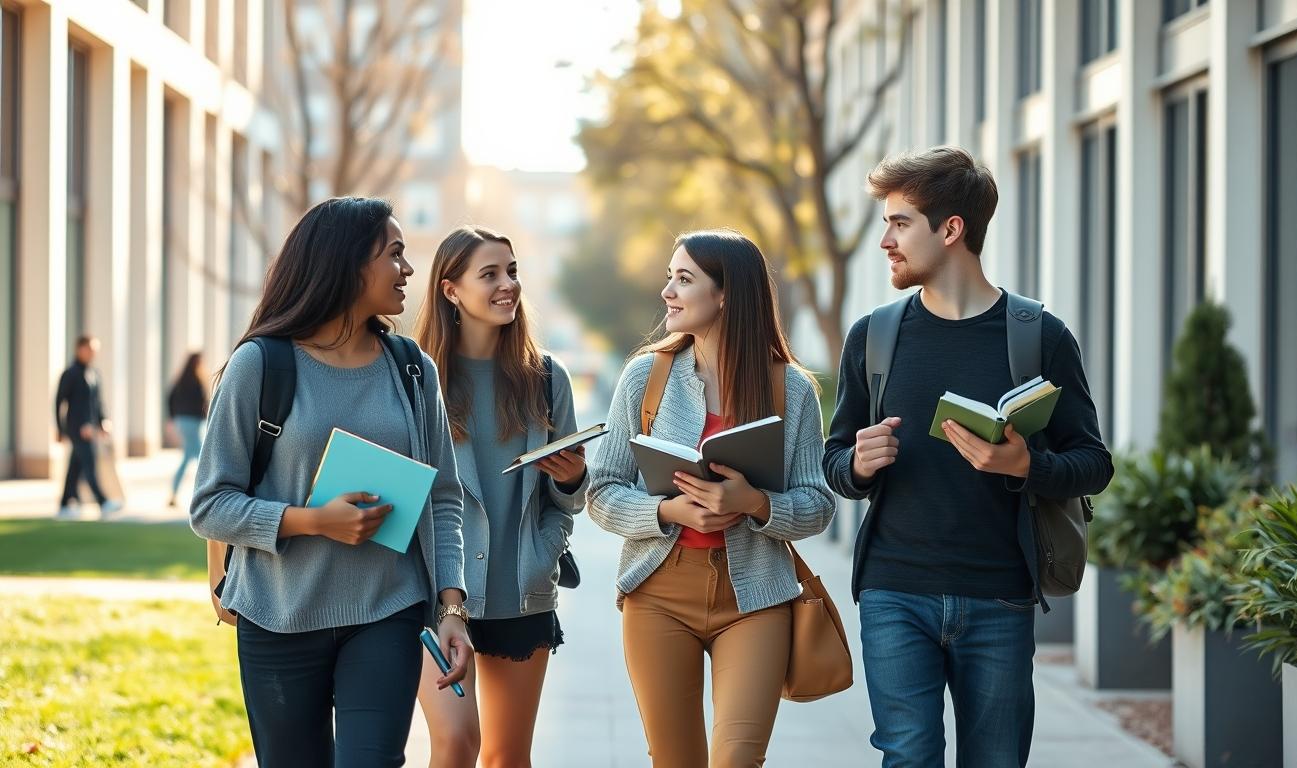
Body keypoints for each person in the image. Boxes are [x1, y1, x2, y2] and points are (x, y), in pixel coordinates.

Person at [821, 147, 1114, 767]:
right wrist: (857, 464)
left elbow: (1094, 462)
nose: (886, 241)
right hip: (893, 590)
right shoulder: (873, 336)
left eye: (900, 223)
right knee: (909, 756)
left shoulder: (1039, 335)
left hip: (1000, 595)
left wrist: (1026, 466)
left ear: (951, 229)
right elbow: (834, 461)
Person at [189, 197, 473, 768]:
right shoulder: (261, 365)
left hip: (387, 611)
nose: (408, 270)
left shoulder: (413, 369)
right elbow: (210, 505)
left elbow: (443, 498)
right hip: (278, 613)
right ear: (347, 263)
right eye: (395, 255)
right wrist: (313, 521)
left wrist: (451, 608)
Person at [587, 229, 836, 767]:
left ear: (726, 294)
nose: (667, 292)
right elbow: (601, 492)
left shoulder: (790, 389)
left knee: (737, 761)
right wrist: (665, 510)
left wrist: (755, 503)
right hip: (658, 590)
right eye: (669, 278)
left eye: (684, 279)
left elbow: (818, 504)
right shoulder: (644, 377)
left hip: (756, 598)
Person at [412, 225, 587, 768]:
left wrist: (568, 482)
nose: (508, 284)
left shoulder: (546, 378)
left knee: (508, 758)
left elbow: (569, 504)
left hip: (521, 591)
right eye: (489, 274)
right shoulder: (416, 376)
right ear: (451, 290)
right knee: (456, 743)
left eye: (512, 271)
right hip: (434, 596)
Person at [54, 335, 120, 519]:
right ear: (80, 349)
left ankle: (64, 503)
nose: (93, 354)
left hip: (91, 429)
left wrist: (103, 421)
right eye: (90, 349)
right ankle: (103, 501)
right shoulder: (70, 374)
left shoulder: (94, 374)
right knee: (89, 465)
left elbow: (97, 403)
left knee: (75, 466)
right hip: (77, 429)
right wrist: (60, 429)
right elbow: (59, 402)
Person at [167, 351, 209, 507]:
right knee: (202, 459)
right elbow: (203, 403)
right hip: (191, 422)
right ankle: (204, 495)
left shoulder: (181, 379)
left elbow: (170, 398)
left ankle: (174, 493)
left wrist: (172, 417)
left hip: (183, 421)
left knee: (188, 458)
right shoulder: (196, 380)